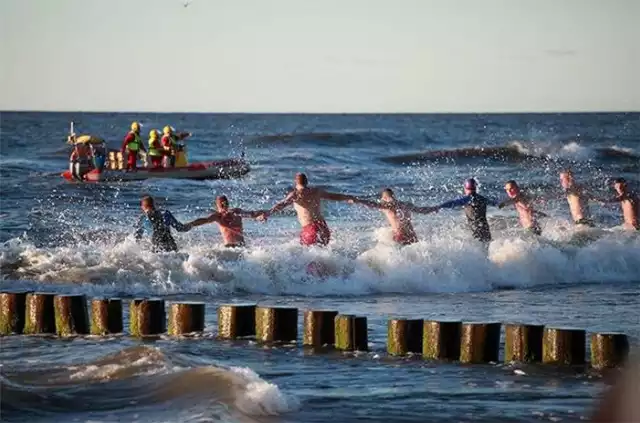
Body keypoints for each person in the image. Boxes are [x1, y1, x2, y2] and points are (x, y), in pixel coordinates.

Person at [264, 172, 358, 246]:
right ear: (307, 182)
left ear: (296, 182)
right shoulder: (317, 191)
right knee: (322, 255)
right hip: (323, 227)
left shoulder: (296, 194)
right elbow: (334, 196)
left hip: (310, 229)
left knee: (308, 259)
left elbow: (282, 204)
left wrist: (267, 213)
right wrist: (349, 197)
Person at [350, 188, 436, 246]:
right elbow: (422, 211)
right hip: (412, 235)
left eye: (383, 198)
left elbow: (372, 204)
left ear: (385, 198)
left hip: (400, 236)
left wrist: (358, 200)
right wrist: (435, 208)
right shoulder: (406, 204)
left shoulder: (386, 206)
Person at [433, 178, 499, 247]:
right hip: (486, 231)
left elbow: (454, 203)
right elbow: (495, 203)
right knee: (485, 252)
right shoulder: (483, 199)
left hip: (477, 232)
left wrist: (439, 207)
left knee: (479, 252)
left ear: (465, 188)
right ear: (475, 188)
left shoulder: (468, 198)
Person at [186, 195, 268, 247]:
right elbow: (252, 214)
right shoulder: (237, 212)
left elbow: (204, 220)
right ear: (228, 204)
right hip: (242, 248)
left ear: (218, 205)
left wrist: (189, 225)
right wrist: (262, 215)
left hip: (229, 249)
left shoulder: (218, 216)